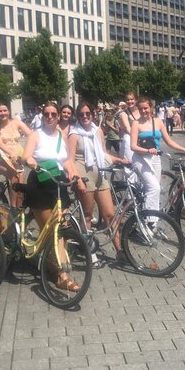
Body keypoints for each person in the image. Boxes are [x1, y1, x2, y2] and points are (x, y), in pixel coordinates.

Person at [22, 102, 79, 291]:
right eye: (46, 114)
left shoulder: (61, 135)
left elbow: (66, 160)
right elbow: (26, 156)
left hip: (58, 181)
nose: (50, 117)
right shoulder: (35, 135)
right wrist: (31, 162)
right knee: (50, 229)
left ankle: (58, 266)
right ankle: (59, 275)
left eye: (53, 114)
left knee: (61, 228)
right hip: (40, 181)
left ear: (58, 116)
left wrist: (75, 175)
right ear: (42, 115)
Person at [66, 102, 127, 261]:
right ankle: (89, 251)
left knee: (109, 214)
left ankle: (120, 250)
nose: (85, 117)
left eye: (87, 114)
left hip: (100, 175)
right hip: (84, 176)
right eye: (81, 115)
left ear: (92, 115)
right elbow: (70, 161)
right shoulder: (74, 135)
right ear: (78, 117)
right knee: (87, 215)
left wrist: (120, 160)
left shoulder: (98, 131)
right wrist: (77, 179)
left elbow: (104, 154)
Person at [131, 97, 185, 222]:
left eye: (146, 108)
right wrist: (148, 151)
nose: (143, 111)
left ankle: (149, 218)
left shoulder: (158, 122)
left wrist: (184, 149)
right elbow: (133, 146)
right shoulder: (136, 123)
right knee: (154, 188)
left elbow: (169, 141)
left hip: (155, 158)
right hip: (141, 158)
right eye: (141, 108)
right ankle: (150, 222)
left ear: (151, 108)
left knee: (153, 189)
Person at [0, 102, 32, 207]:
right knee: (14, 175)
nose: (3, 113)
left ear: (9, 111)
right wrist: (11, 152)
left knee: (21, 184)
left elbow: (31, 134)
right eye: (0, 111)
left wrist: (30, 150)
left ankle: (19, 206)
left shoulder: (16, 122)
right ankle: (13, 208)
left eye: (5, 110)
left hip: (16, 154)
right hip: (1, 155)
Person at [118, 91, 140, 162]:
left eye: (132, 99)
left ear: (136, 100)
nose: (130, 101)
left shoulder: (140, 111)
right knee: (130, 164)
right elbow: (128, 128)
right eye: (127, 99)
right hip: (130, 139)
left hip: (141, 138)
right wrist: (138, 138)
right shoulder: (124, 113)